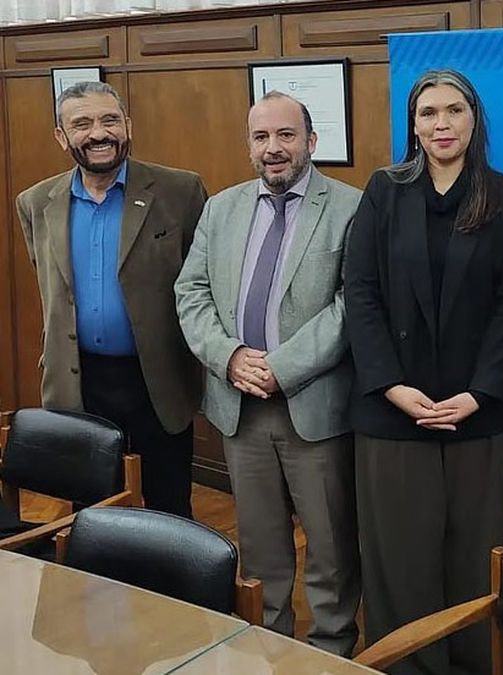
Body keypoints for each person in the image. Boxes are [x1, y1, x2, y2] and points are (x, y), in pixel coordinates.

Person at [344, 69, 503, 675]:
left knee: (476, 559)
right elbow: (361, 294)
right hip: (391, 409)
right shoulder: (383, 190)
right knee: (400, 559)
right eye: (428, 113)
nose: (441, 124)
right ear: (413, 125)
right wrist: (393, 387)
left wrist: (480, 393)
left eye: (454, 111)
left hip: (478, 413)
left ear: (474, 119)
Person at [174, 92, 362, 656]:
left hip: (315, 407)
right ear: (249, 146)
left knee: (330, 547)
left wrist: (280, 368)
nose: (273, 149)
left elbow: (352, 305)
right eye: (261, 138)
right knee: (259, 547)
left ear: (311, 141)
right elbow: (191, 292)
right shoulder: (221, 208)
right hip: (239, 407)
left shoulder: (351, 207)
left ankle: (332, 651)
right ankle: (270, 648)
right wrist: (228, 356)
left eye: (286, 135)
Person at [16, 81, 206, 517]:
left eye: (109, 120)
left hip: (156, 381)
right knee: (90, 509)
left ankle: (167, 588)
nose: (98, 133)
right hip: (79, 381)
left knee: (169, 506)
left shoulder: (181, 191)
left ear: (128, 126)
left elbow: (201, 280)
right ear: (62, 137)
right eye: (82, 123)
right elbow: (53, 286)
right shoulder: (35, 203)